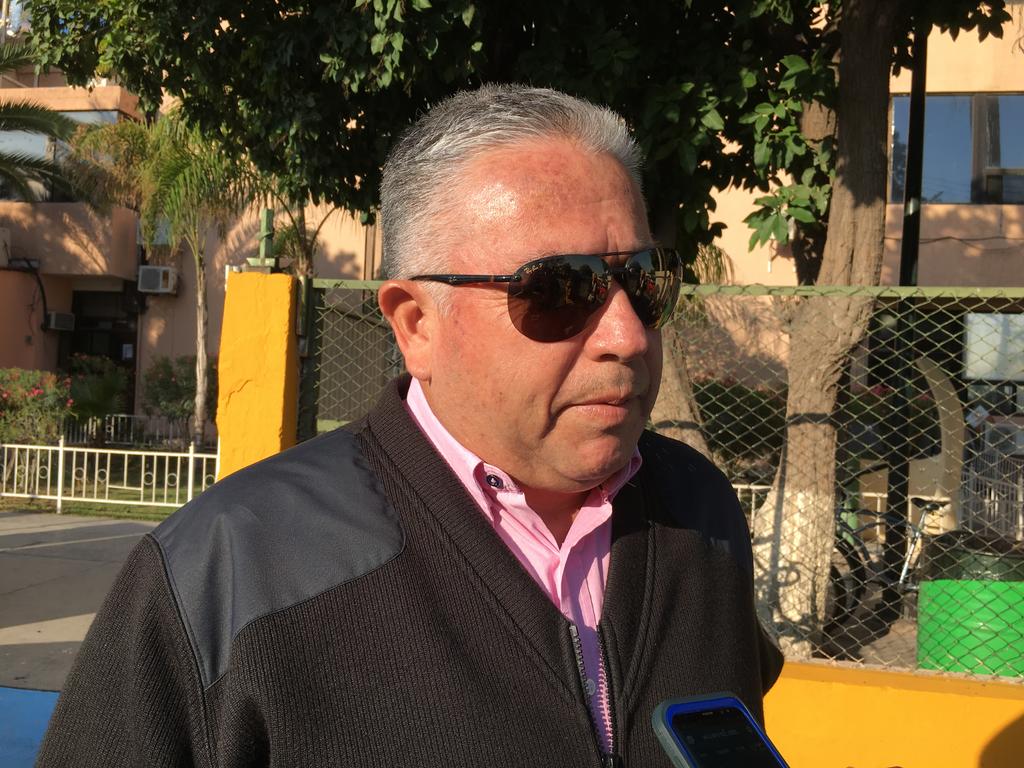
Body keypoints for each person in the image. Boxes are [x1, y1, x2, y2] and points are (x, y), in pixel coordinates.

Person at [38, 85, 782, 767]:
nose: (627, 334)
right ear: (417, 324)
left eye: (643, 281)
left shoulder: (699, 512)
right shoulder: (229, 569)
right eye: (561, 290)